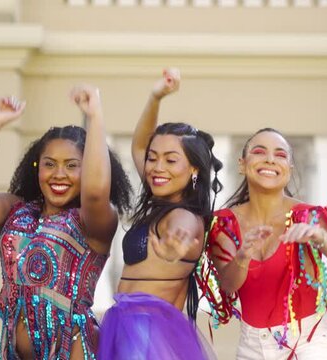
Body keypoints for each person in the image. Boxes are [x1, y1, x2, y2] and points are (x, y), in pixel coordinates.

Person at [0, 85, 132, 359]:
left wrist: (95, 116)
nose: (58, 174)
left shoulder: (93, 221)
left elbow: (97, 191)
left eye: (72, 166)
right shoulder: (17, 211)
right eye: (49, 164)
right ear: (36, 167)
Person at [197, 128, 327, 359]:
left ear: (289, 169)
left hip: (310, 343)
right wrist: (243, 255)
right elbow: (228, 285)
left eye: (280, 155)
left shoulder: (309, 215)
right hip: (252, 346)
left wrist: (320, 237)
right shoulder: (223, 223)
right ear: (242, 164)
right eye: (259, 151)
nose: (270, 159)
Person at [98, 68, 222, 360]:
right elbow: (140, 144)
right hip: (125, 325)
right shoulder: (160, 198)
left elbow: (183, 232)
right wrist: (156, 97)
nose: (157, 167)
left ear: (194, 169)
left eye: (171, 160)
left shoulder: (185, 217)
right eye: (153, 159)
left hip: (146, 333)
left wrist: (173, 247)